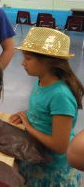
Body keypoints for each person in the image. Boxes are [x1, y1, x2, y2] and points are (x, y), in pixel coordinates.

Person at [9, 27, 83, 186]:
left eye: (28, 58)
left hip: (53, 168)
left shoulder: (61, 95)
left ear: (48, 61)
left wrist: (29, 127)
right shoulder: (41, 80)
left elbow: (60, 146)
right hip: (37, 155)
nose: (22, 63)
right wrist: (28, 114)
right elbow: (44, 111)